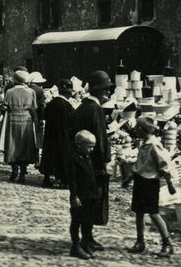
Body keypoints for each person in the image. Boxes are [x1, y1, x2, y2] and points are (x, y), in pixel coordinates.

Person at [68, 70, 114, 252]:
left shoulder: (81, 108)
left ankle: (88, 238)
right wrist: (104, 161)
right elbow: (101, 140)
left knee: (85, 206)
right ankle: (85, 240)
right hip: (94, 166)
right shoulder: (95, 110)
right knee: (91, 205)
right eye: (105, 90)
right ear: (98, 91)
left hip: (81, 162)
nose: (108, 94)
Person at [122, 116, 175, 256]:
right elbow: (139, 166)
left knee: (154, 213)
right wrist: (129, 178)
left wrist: (170, 183)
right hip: (140, 181)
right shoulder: (144, 144)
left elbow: (164, 165)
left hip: (150, 183)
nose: (135, 131)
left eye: (137, 128)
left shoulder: (154, 144)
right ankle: (140, 242)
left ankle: (167, 243)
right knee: (139, 212)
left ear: (141, 129)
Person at [0, 69, 38, 183]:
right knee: (25, 145)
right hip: (26, 120)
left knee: (12, 144)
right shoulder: (31, 92)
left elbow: (4, 106)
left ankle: (14, 169)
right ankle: (22, 172)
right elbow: (34, 107)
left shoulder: (10, 92)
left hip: (12, 119)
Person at [67, 130, 99, 260]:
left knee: (88, 221)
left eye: (93, 147)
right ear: (79, 144)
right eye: (89, 146)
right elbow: (72, 180)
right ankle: (75, 245)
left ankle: (85, 242)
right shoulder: (73, 159)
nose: (91, 149)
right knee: (76, 221)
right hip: (80, 196)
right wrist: (74, 196)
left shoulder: (87, 158)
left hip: (90, 195)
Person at [40, 78, 75, 188]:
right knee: (62, 155)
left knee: (49, 154)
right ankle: (63, 179)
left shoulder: (51, 104)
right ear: (67, 93)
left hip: (50, 134)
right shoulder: (67, 106)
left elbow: (44, 115)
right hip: (62, 135)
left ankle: (46, 178)